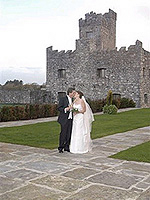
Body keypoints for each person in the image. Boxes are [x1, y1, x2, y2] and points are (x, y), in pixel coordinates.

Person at [57, 88, 76, 153]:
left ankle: (66, 146)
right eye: (73, 93)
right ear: (69, 93)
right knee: (63, 133)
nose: (74, 94)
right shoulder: (63, 99)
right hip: (64, 119)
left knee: (69, 133)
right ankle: (60, 147)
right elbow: (59, 108)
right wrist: (66, 109)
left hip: (71, 118)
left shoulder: (73, 100)